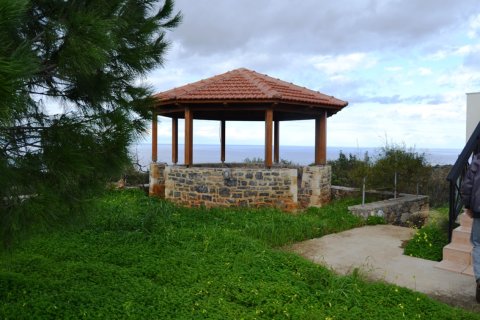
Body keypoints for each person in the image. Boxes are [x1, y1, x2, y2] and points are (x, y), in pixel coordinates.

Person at [461, 154, 480, 303]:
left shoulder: (478, 160)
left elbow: (468, 185)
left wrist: (467, 205)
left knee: (478, 243)